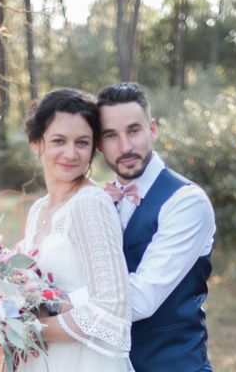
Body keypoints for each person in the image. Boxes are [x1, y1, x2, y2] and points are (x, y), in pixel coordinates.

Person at [69, 82, 216, 372]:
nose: (124, 147)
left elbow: (140, 300)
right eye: (111, 135)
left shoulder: (186, 202)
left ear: (152, 129)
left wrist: (53, 305)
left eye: (133, 131)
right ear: (99, 144)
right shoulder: (96, 201)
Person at [18, 88, 132, 372]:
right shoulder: (38, 209)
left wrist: (27, 330)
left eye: (82, 142)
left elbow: (112, 308)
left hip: (83, 361)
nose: (70, 153)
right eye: (58, 141)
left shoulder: (89, 204)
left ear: (94, 148)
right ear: (36, 142)